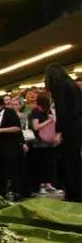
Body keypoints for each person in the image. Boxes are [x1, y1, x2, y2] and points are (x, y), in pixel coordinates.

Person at [45, 64, 82, 202]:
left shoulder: (60, 88)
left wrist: (59, 131)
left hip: (69, 128)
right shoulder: (73, 86)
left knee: (69, 162)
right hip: (77, 126)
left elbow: (62, 112)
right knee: (76, 161)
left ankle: (72, 194)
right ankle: (77, 192)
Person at [0, 95, 23, 198]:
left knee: (10, 170)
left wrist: (1, 130)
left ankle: (15, 191)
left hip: (8, 146)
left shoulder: (9, 112)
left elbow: (17, 128)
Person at [28, 94, 62, 195]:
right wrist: (49, 120)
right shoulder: (36, 111)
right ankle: (41, 184)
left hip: (50, 142)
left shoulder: (49, 111)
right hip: (39, 142)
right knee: (41, 164)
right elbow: (36, 127)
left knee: (50, 163)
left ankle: (48, 183)